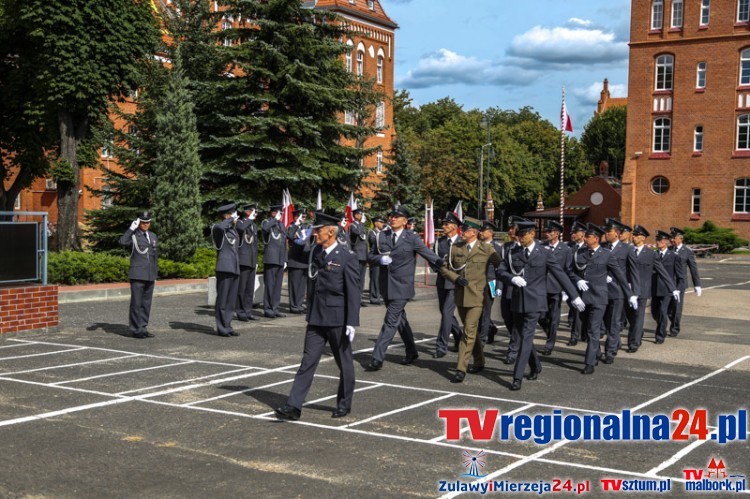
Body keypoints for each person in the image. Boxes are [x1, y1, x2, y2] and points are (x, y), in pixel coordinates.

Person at [275, 211, 361, 421]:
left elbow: (353, 291)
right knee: (307, 362)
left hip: (337, 318)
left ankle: (344, 403)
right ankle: (293, 406)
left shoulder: (347, 257)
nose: (315, 234)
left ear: (331, 232)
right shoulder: (316, 252)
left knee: (344, 363)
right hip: (316, 317)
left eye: (319, 230)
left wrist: (352, 321)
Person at [500, 220, 584, 390]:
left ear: (531, 234)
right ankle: (536, 365)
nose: (520, 239)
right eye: (519, 235)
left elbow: (560, 274)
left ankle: (517, 377)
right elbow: (501, 270)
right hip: (517, 301)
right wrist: (511, 278)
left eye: (523, 235)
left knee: (527, 337)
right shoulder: (512, 252)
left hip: (536, 302)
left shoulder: (543, 253)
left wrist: (574, 296)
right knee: (523, 337)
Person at [365, 205, 443, 371]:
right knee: (400, 320)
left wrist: (445, 266)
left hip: (402, 286)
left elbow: (427, 254)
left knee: (390, 321)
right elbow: (369, 256)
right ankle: (412, 351)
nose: (392, 218)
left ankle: (377, 357)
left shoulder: (412, 237)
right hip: (386, 285)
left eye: (396, 216)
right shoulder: (382, 236)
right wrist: (379, 259)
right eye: (391, 215)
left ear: (404, 221)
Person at [439, 217, 502, 383]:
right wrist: (455, 278)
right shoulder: (456, 248)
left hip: (477, 296)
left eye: (465, 230)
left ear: (474, 232)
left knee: (468, 331)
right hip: (460, 295)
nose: (462, 233)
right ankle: (480, 361)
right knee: (471, 331)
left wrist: (498, 285)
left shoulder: (487, 248)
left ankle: (461, 368)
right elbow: (444, 268)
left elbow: (500, 266)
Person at [567, 224, 635, 374]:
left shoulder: (606, 254)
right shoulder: (580, 253)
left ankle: (589, 363)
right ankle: (596, 353)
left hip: (599, 297)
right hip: (583, 298)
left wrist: (630, 295)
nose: (584, 239)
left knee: (593, 329)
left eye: (588, 237)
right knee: (586, 329)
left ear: (596, 239)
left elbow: (620, 276)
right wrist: (577, 281)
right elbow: (570, 271)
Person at [625, 225, 678, 352]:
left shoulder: (650, 254)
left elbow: (662, 271)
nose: (633, 238)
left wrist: (672, 288)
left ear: (642, 238)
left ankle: (634, 343)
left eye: (636, 236)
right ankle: (638, 333)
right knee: (630, 317)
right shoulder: (628, 251)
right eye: (633, 235)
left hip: (642, 291)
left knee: (638, 317)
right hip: (628, 290)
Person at [600, 219, 640, 364]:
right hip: (602, 290)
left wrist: (634, 292)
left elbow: (633, 272)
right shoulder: (602, 247)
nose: (605, 234)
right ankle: (615, 342)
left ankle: (609, 352)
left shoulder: (627, 249)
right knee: (603, 322)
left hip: (617, 291)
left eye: (608, 232)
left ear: (616, 233)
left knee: (614, 322)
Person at [119, 211, 158, 338]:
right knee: (136, 303)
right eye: (143, 222)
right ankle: (135, 329)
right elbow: (122, 242)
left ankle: (143, 327)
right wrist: (131, 228)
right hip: (137, 274)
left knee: (146, 303)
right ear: (139, 222)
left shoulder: (153, 236)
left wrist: (155, 272)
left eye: (148, 222)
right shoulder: (133, 236)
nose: (146, 224)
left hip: (149, 274)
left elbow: (154, 256)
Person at [432, 211, 464, 358]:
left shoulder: (463, 242)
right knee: (447, 314)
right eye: (443, 224)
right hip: (441, 281)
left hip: (455, 283)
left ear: (455, 226)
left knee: (446, 313)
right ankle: (459, 336)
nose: (443, 226)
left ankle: (441, 346)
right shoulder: (440, 242)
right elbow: (434, 259)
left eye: (446, 224)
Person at [538, 220, 572, 356]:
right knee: (540, 316)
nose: (547, 234)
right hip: (541, 287)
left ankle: (550, 342)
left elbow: (567, 270)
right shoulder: (541, 246)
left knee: (554, 317)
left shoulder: (565, 250)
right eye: (546, 231)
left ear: (556, 234)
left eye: (549, 232)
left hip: (556, 288)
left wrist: (565, 289)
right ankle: (550, 333)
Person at [651, 230, 685, 344]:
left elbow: (680, 276)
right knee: (654, 312)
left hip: (667, 290)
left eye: (660, 240)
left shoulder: (674, 256)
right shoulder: (653, 254)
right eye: (657, 240)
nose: (657, 242)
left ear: (666, 242)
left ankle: (660, 335)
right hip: (655, 289)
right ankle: (662, 325)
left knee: (662, 311)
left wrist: (678, 290)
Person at [212, 203, 241, 337]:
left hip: (234, 268)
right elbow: (219, 227)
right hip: (224, 268)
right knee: (222, 299)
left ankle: (228, 325)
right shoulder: (219, 229)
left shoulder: (232, 230)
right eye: (232, 214)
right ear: (226, 215)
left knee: (230, 300)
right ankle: (221, 327)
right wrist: (229, 220)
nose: (235, 217)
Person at [668, 227, 702, 337]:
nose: (672, 240)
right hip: (668, 283)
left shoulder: (687, 252)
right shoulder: (669, 249)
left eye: (674, 238)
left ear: (680, 239)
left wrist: (697, 285)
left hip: (680, 283)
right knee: (668, 309)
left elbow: (693, 268)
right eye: (671, 237)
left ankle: (675, 328)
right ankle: (672, 320)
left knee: (677, 307)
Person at [501, 216, 523, 365]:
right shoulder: (506, 246)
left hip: (522, 290)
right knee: (506, 317)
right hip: (508, 287)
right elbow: (501, 268)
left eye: (512, 228)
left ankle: (513, 350)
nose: (510, 231)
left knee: (517, 321)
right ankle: (518, 341)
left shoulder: (527, 247)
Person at [478, 220, 503, 345]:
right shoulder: (477, 245)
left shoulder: (497, 247)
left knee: (486, 310)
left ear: (490, 232)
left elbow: (500, 269)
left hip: (491, 283)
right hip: (477, 283)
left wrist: (499, 286)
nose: (480, 233)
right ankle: (491, 328)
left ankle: (482, 338)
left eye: (483, 231)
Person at [262, 204, 288, 318]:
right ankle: (267, 308)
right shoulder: (266, 222)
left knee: (277, 286)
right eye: (279, 213)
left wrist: (285, 259)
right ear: (273, 213)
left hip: (280, 258)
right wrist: (274, 220)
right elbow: (265, 229)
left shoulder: (281, 225)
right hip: (271, 258)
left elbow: (284, 243)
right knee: (269, 285)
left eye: (281, 214)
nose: (281, 216)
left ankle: (275, 308)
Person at [235, 204, 259, 322]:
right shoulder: (240, 222)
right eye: (253, 211)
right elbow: (240, 229)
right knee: (242, 288)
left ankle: (248, 311)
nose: (255, 214)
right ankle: (240, 311)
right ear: (248, 212)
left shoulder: (253, 225)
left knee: (250, 288)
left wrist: (256, 261)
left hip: (252, 260)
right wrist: (249, 220)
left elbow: (255, 244)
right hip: (243, 260)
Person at [566, 221, 587, 346]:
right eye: (572, 232)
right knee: (576, 310)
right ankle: (575, 335)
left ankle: (581, 333)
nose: (573, 235)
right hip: (573, 283)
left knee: (584, 311)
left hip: (586, 284)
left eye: (575, 232)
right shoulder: (570, 247)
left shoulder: (588, 248)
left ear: (582, 234)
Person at [286, 208, 309, 314]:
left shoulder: (305, 228)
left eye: (304, 217)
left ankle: (299, 304)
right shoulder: (292, 227)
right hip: (295, 260)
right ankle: (294, 305)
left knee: (302, 285)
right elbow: (290, 235)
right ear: (296, 217)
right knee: (294, 285)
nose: (303, 219)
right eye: (301, 217)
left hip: (304, 260)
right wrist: (296, 223)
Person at [349, 208, 369, 305]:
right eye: (360, 214)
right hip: (357, 255)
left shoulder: (361, 226)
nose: (361, 216)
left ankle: (359, 297)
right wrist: (362, 224)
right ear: (356, 215)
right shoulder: (353, 226)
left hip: (363, 255)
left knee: (362, 278)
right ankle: (355, 297)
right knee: (356, 278)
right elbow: (357, 233)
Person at [367, 216, 386, 305]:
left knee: (380, 278)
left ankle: (378, 295)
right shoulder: (372, 232)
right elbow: (374, 241)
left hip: (382, 258)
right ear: (376, 223)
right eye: (381, 222)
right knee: (375, 278)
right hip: (375, 258)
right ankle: (374, 298)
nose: (383, 224)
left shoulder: (381, 233)